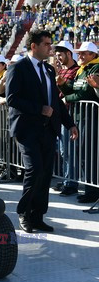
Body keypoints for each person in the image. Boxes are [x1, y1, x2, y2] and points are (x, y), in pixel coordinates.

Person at [6, 29, 78, 233]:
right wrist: (39, 109)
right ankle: (24, 213)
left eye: (50, 43)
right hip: (27, 129)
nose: (50, 47)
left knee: (45, 174)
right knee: (34, 169)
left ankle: (38, 216)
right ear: (34, 46)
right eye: (46, 44)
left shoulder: (48, 70)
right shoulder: (18, 68)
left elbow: (55, 100)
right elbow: (12, 99)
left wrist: (70, 123)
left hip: (48, 130)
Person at [57, 41, 99, 203]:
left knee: (90, 155)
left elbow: (85, 94)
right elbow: (76, 90)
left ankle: (93, 191)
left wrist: (66, 97)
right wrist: (63, 86)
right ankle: (89, 187)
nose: (79, 56)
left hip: (91, 117)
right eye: (79, 53)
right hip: (79, 116)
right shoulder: (82, 70)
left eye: (84, 53)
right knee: (82, 154)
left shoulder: (96, 68)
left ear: (93, 55)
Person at [51, 41, 80, 196]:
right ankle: (67, 179)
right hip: (62, 115)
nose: (58, 58)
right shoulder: (61, 72)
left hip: (70, 115)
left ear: (69, 54)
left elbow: (71, 91)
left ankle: (71, 183)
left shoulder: (76, 71)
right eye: (56, 55)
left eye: (60, 54)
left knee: (67, 151)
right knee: (63, 151)